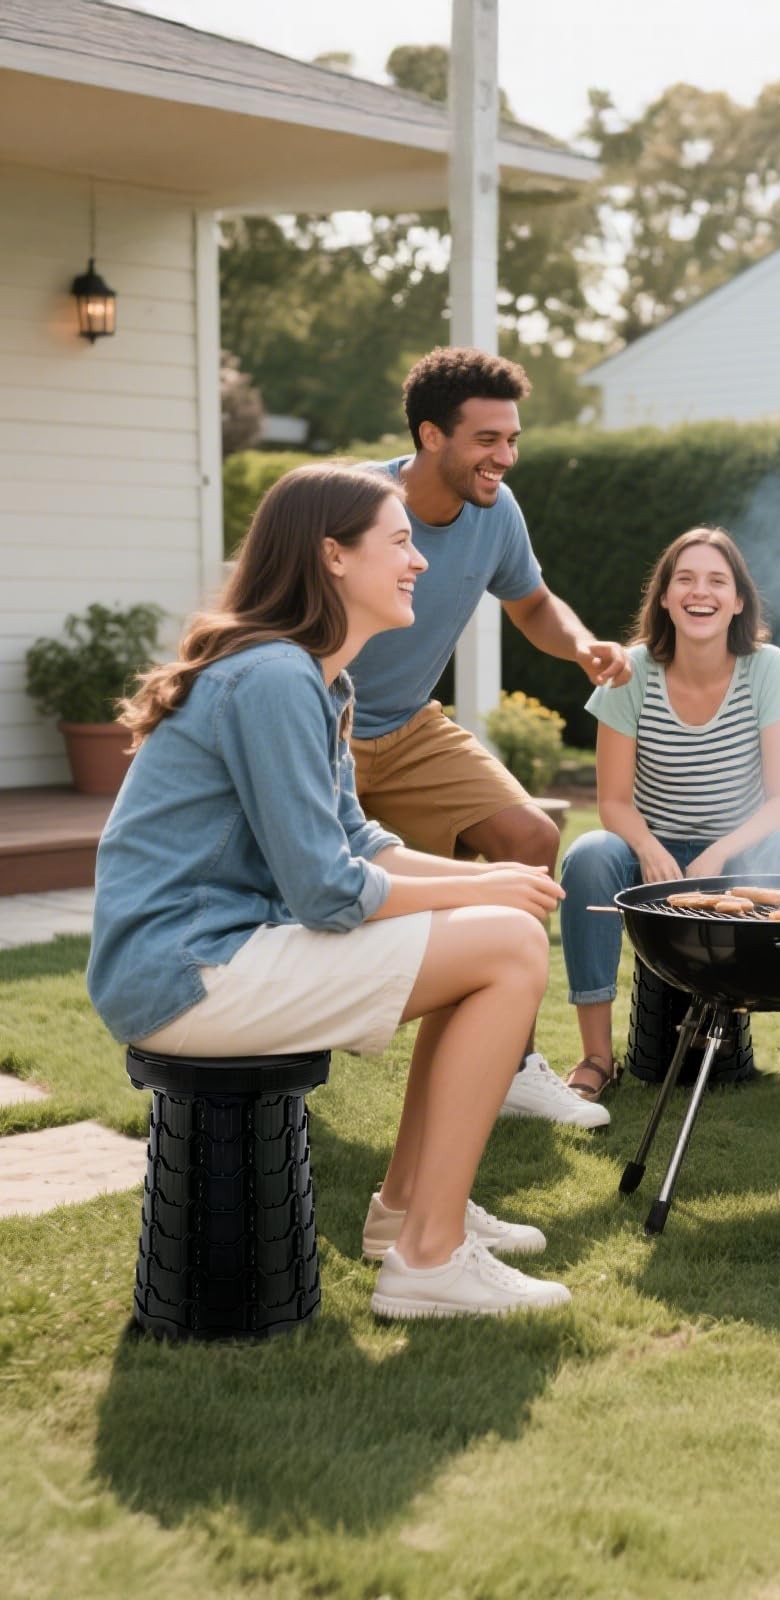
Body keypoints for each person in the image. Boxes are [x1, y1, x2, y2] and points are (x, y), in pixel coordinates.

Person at [88, 464, 573, 1321]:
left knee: (494, 931)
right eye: (398, 542)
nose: (419, 560)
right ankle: (428, 1261)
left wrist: (492, 879)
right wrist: (488, 895)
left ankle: (412, 1213)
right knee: (507, 945)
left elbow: (359, 842)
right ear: (333, 557)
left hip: (214, 954)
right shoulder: (274, 679)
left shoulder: (316, 679)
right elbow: (325, 888)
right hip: (187, 970)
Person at [349, 347, 630, 1131]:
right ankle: (262, 1067)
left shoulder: (495, 510)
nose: (504, 458)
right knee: (281, 890)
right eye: (486, 440)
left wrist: (580, 645)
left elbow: (533, 602)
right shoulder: (351, 500)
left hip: (407, 723)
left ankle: (508, 1065)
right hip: (315, 724)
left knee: (528, 836)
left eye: (512, 439)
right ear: (431, 435)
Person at [557, 527, 780, 1099]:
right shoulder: (630, 672)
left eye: (716, 580)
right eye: (684, 579)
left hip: (737, 858)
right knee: (588, 855)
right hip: (652, 856)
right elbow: (612, 801)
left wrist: (721, 850)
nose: (699, 591)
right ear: (663, 597)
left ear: (737, 601)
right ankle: (596, 1058)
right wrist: (650, 848)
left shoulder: (768, 668)